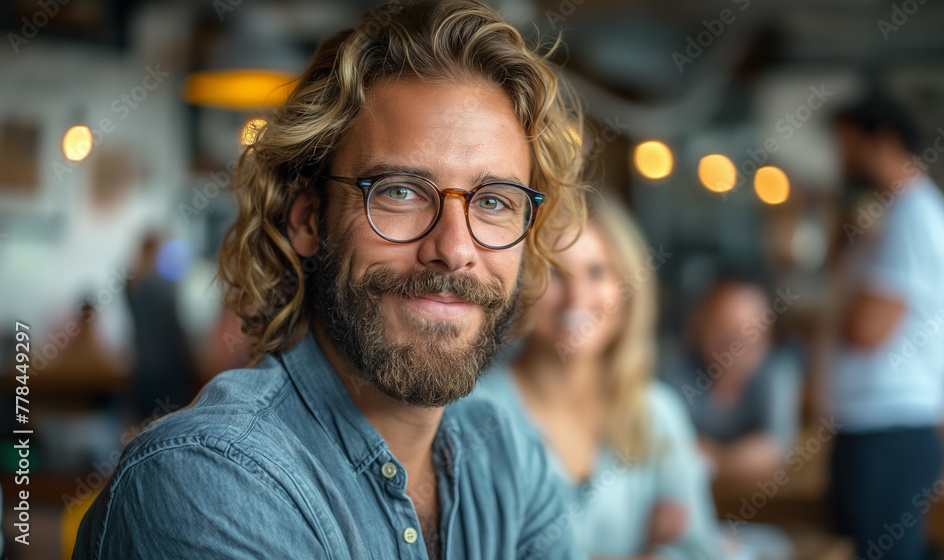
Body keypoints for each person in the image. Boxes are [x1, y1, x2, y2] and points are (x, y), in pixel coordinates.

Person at [73, 1, 588, 558]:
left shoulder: (509, 458)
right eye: (400, 191)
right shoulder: (207, 481)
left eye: (493, 201)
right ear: (308, 220)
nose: (455, 250)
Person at [476, 196, 722, 559]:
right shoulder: (474, 415)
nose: (577, 298)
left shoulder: (657, 414)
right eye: (555, 273)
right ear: (519, 286)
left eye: (597, 272)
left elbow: (702, 551)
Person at [827, 94, 944, 560]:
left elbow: (866, 331)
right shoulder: (900, 217)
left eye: (848, 146)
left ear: (881, 142)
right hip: (883, 429)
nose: (841, 159)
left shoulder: (911, 218)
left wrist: (841, 307)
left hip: (889, 432)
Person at [663, 278, 802, 482]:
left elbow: (774, 450)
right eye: (726, 332)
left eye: (751, 333)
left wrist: (714, 460)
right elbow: (665, 448)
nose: (738, 345)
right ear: (696, 326)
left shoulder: (778, 370)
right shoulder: (673, 366)